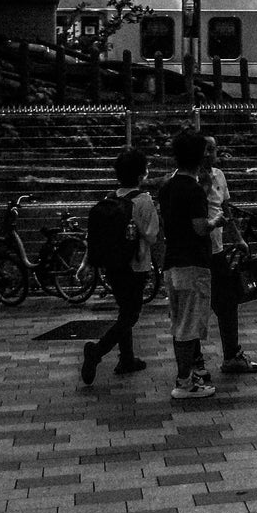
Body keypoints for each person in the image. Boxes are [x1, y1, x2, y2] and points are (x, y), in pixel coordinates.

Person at [81, 147, 159, 385]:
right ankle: (97, 351)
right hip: (136, 266)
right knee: (131, 315)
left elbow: (94, 236)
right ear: (141, 175)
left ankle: (127, 359)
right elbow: (152, 235)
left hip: (113, 266)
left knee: (124, 309)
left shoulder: (108, 201)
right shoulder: (144, 201)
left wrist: (86, 262)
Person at [200, 134, 257, 378]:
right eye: (205, 149)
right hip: (198, 253)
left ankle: (231, 355)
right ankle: (195, 361)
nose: (210, 153)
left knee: (227, 302)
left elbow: (226, 209)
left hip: (216, 250)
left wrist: (238, 238)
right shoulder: (190, 179)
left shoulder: (219, 176)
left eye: (213, 149)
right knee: (198, 308)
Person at [161, 129, 216, 400]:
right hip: (192, 263)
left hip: (171, 262)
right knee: (188, 325)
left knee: (178, 323)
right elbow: (199, 228)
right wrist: (215, 223)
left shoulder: (167, 187)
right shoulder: (193, 190)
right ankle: (184, 382)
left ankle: (186, 377)